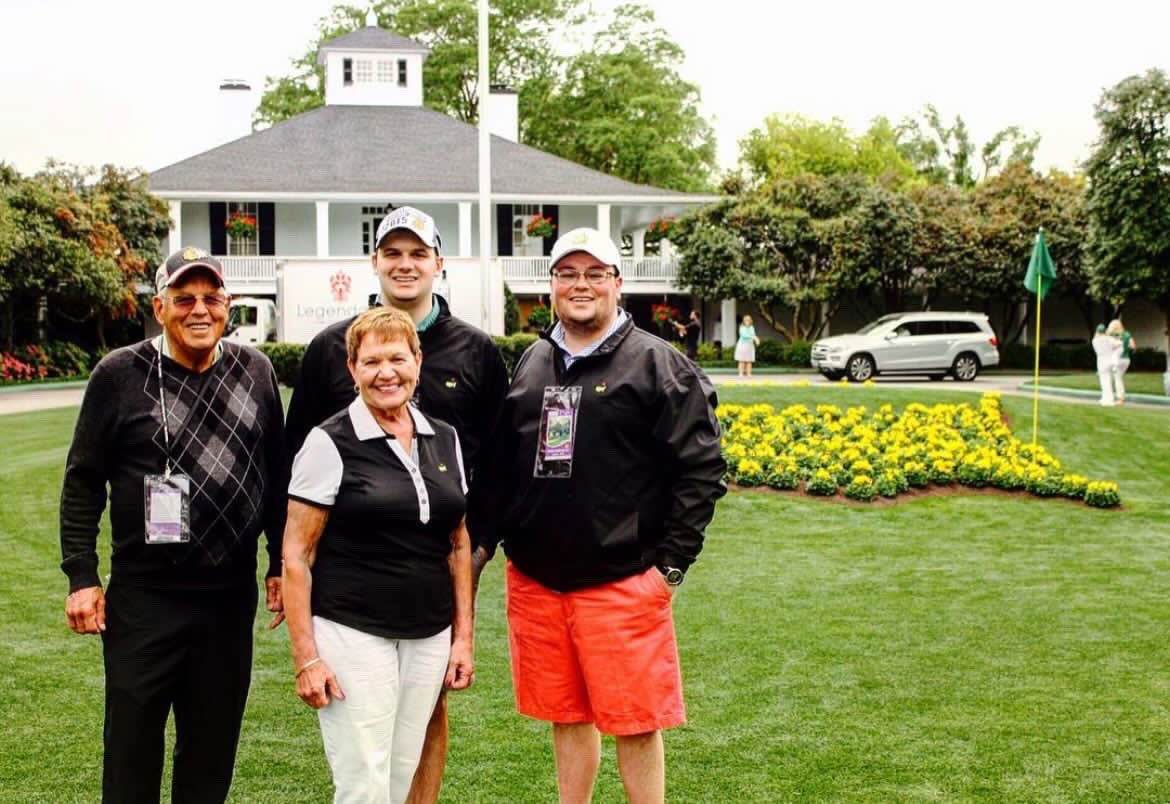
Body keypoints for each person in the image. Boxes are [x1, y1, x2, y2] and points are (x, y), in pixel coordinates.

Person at [469, 227, 727, 803]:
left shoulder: (659, 364)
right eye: (567, 273)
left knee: (635, 721)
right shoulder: (534, 359)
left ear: (618, 283)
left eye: (594, 273)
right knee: (566, 714)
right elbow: (506, 463)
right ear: (552, 284)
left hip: (623, 581)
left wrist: (670, 570)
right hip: (539, 581)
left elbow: (702, 471)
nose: (580, 285)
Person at [284, 205, 507, 803]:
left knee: (417, 732)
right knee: (364, 765)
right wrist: (282, 581)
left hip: (440, 583)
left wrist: (476, 552)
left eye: (417, 254)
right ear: (375, 261)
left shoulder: (475, 352)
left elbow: (498, 462)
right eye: (392, 253)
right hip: (352, 594)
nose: (405, 264)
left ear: (438, 263)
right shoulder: (331, 350)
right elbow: (293, 477)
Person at [59, 247, 288, 803]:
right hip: (146, 598)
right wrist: (82, 576)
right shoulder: (118, 374)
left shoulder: (255, 370)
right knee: (132, 748)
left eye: (212, 298)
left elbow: (276, 476)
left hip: (228, 599)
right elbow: (83, 480)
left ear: (228, 306)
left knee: (211, 752)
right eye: (184, 299)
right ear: (160, 307)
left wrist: (278, 562)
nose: (199, 310)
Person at [282, 307, 474, 803]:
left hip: (429, 636)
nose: (386, 372)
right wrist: (307, 658)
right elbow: (297, 555)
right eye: (370, 362)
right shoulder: (328, 442)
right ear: (352, 370)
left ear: (418, 361)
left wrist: (463, 640)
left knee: (401, 774)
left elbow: (458, 544)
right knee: (363, 781)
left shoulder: (444, 438)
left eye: (397, 358)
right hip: (352, 631)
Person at [1106, 318, 1136, 404]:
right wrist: (1126, 347)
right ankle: (1115, 396)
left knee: (1117, 378)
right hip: (1126, 359)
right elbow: (1133, 346)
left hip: (1118, 360)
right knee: (1118, 377)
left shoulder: (1112, 335)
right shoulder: (1127, 334)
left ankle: (1120, 398)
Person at [1092, 323, 1121, 406]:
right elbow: (1119, 344)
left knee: (1104, 381)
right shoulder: (1109, 339)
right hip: (1110, 360)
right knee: (1108, 381)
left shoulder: (1094, 340)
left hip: (1101, 361)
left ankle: (1107, 399)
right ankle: (1107, 398)